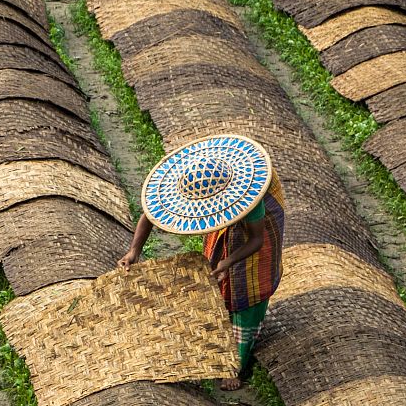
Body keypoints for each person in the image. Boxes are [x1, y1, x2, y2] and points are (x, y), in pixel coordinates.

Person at [119, 134, 284, 391]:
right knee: (216, 268)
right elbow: (148, 215)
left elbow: (256, 241)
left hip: (259, 230)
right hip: (228, 215)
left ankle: (234, 364)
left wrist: (229, 262)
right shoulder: (187, 180)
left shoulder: (250, 196)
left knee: (250, 286)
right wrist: (133, 252)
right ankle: (220, 321)